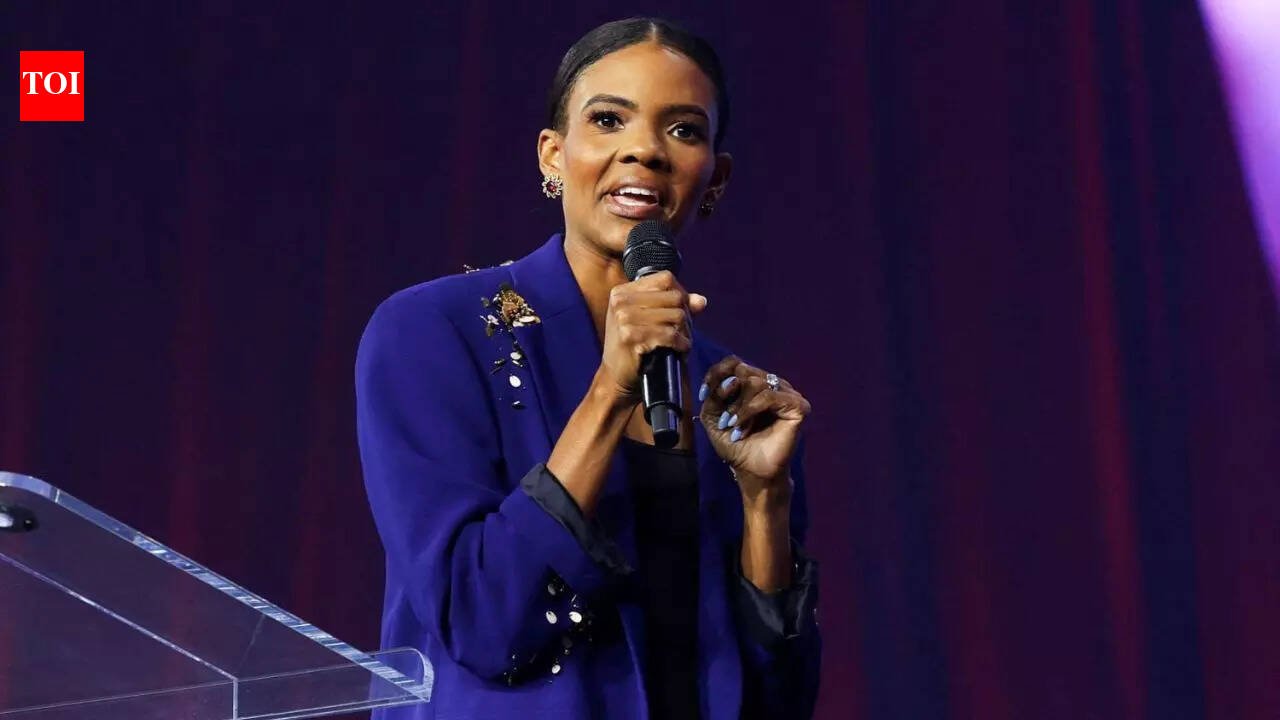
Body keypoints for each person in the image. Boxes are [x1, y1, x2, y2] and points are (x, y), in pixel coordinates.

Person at [357, 17, 820, 720]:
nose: (644, 150)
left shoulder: (731, 394)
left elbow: (779, 700)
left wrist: (767, 502)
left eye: (683, 130)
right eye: (608, 120)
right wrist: (609, 391)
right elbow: (482, 620)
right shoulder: (433, 332)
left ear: (715, 178)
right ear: (553, 154)